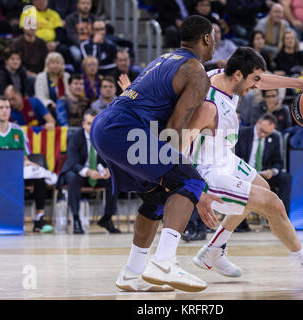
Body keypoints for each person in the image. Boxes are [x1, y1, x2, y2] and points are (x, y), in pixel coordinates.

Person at [119, 48, 303, 291]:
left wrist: (301, 83)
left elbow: (263, 80)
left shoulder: (221, 75)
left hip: (225, 157)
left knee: (260, 187)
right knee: (272, 204)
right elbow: (178, 149)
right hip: (208, 171)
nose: (257, 86)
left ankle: (213, 251)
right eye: (254, 80)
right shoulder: (208, 106)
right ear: (239, 75)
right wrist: (195, 189)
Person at [92, 15, 219, 293]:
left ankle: (132, 273)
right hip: (125, 131)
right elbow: (175, 127)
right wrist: (182, 177)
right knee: (190, 181)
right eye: (215, 38)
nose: (216, 45)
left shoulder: (165, 58)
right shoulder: (196, 72)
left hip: (105, 128)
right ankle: (164, 261)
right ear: (207, 38)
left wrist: (167, 177)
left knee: (156, 198)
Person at [0, 96, 54, 232]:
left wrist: (29, 163)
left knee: (40, 177)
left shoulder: (19, 131)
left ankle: (39, 219)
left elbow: (24, 157)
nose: (5, 111)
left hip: (16, 170)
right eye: (1, 108)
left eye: (7, 107)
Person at [58, 108, 120, 234]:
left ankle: (107, 218)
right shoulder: (75, 137)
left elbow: (109, 158)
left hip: (97, 173)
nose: (92, 127)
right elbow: (73, 163)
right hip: (78, 171)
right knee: (72, 179)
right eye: (89, 123)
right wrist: (88, 172)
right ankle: (76, 219)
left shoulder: (103, 136)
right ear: (83, 124)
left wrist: (108, 169)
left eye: (95, 123)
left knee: (113, 179)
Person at [235, 114, 292, 214]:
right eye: (261, 131)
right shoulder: (242, 133)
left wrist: (272, 171)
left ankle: (281, 216)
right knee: (236, 179)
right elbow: (236, 157)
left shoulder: (275, 137)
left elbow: (278, 162)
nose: (262, 135)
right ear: (258, 123)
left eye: (267, 133)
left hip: (264, 174)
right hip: (245, 173)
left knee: (286, 178)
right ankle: (240, 223)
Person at [64, 0, 95, 66]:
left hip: (92, 44)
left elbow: (98, 34)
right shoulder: (70, 18)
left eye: (88, 3)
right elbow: (71, 35)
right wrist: (83, 45)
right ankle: (79, 72)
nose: (86, 6)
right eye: (83, 3)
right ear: (77, 5)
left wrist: (91, 44)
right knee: (77, 54)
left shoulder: (94, 18)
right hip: (76, 45)